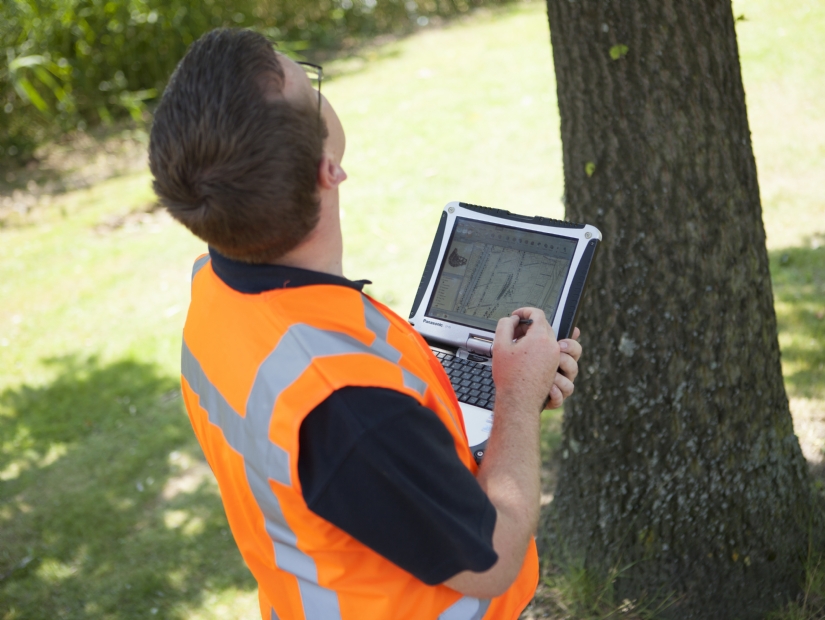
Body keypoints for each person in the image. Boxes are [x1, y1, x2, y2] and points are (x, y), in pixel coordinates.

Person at [148, 28, 582, 620]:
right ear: (329, 170)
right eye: (311, 82)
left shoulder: (218, 287)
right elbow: (492, 557)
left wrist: (492, 418)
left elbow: (363, 476)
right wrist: (517, 397)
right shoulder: (347, 405)